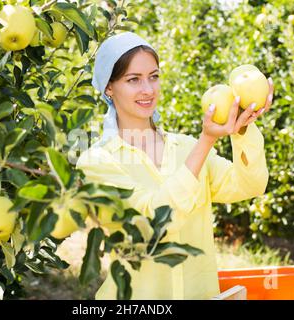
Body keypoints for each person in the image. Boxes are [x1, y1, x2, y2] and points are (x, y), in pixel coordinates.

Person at [76, 32, 273, 300]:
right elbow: (153, 226)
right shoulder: (96, 162)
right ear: (109, 87)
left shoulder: (184, 147)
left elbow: (250, 184)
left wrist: (243, 129)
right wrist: (206, 141)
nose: (148, 90)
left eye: (154, 76)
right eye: (133, 79)